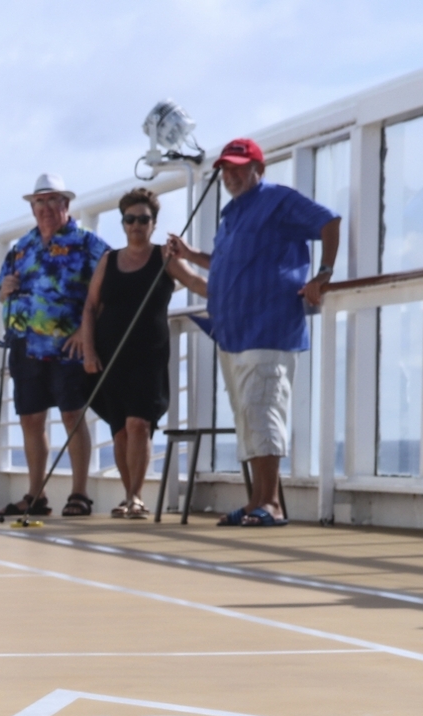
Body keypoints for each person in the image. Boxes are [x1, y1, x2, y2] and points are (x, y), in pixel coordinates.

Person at [166, 137, 340, 527]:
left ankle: (272, 505)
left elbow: (329, 221)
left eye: (238, 167)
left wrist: (324, 273)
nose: (230, 174)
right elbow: (227, 264)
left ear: (258, 169)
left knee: (263, 412)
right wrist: (190, 256)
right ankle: (257, 501)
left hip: (269, 327)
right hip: (234, 332)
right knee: (248, 417)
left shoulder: (277, 199)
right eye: (226, 169)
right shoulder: (231, 216)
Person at [79, 187, 198, 518]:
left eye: (143, 219)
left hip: (149, 357)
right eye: (129, 219)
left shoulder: (165, 258)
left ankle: (136, 496)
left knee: (139, 425)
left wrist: (235, 289)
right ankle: (127, 494)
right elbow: (90, 307)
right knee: (119, 429)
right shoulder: (108, 260)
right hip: (110, 356)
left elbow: (199, 285)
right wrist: (88, 351)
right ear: (123, 223)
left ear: (154, 223)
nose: (136, 225)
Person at [0, 173, 110, 518]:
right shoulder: (21, 248)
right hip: (25, 347)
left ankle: (79, 493)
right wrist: (5, 290)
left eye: (52, 201)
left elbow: (109, 289)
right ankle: (36, 494)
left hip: (67, 348)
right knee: (31, 419)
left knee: (72, 416)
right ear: (33, 207)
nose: (45, 208)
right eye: (39, 202)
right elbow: (0, 290)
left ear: (66, 204)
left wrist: (84, 333)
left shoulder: (88, 243)